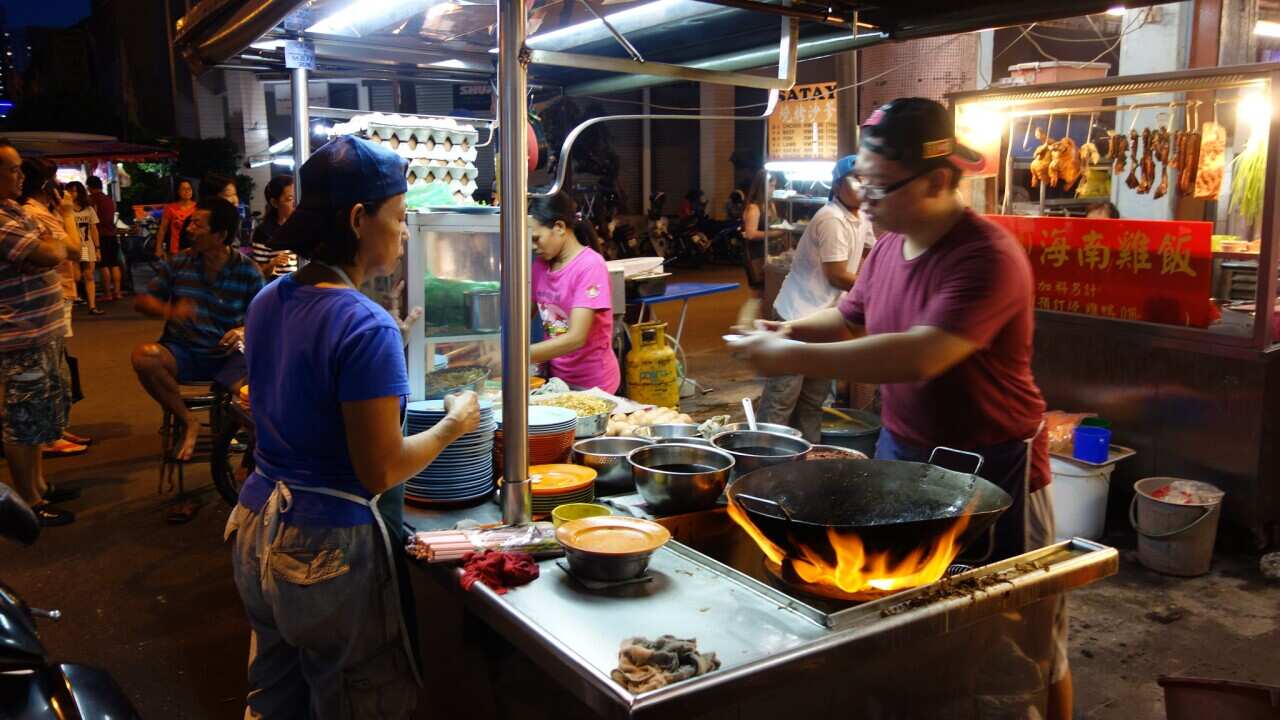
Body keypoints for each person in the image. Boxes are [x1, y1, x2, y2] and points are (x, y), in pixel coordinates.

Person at [730, 98, 1071, 719]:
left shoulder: (985, 256)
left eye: (881, 185)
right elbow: (850, 316)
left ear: (940, 180)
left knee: (1022, 640)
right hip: (902, 457)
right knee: (921, 633)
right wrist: (785, 335)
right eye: (863, 182)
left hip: (993, 468)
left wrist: (786, 360)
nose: (867, 198)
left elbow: (921, 355)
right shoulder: (889, 247)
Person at [227, 135, 480, 717]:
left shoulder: (269, 299)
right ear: (359, 219)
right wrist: (453, 426)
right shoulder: (366, 326)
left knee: (275, 697)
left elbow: (307, 387)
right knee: (354, 702)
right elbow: (381, 469)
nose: (406, 232)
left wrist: (394, 336)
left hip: (256, 527)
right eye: (398, 217)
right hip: (325, 552)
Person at [131, 197, 265, 463]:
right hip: (183, 352)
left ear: (220, 235)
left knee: (252, 399)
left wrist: (243, 330)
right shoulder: (179, 263)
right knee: (144, 357)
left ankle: (251, 461)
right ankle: (188, 421)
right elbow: (143, 301)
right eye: (191, 222)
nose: (189, 229)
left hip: (229, 356)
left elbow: (265, 317)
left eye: (197, 224)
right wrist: (170, 311)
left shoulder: (247, 271)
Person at [758, 155, 874, 442]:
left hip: (825, 320)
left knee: (812, 400)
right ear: (837, 185)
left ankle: (806, 459)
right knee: (782, 397)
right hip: (796, 316)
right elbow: (836, 275)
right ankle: (764, 461)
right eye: (856, 179)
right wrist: (876, 289)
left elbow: (871, 253)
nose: (863, 186)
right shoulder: (831, 219)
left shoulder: (862, 217)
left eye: (867, 179)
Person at [0, 142, 81, 526]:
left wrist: (46, 251)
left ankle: (40, 486)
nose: (21, 176)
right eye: (13, 170)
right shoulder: (1, 219)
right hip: (20, 334)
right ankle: (29, 502)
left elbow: (57, 248)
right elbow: (53, 254)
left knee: (40, 413)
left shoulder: (14, 211)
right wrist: (46, 251)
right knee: (22, 419)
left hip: (40, 330)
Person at [529, 191, 620, 393]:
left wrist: (516, 356)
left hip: (594, 384)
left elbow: (576, 337)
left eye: (536, 238)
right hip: (558, 380)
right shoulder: (540, 266)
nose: (533, 247)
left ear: (559, 227)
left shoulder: (590, 266)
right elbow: (523, 317)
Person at [740, 170, 785, 291]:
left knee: (769, 291)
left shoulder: (771, 204)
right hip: (756, 254)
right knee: (758, 294)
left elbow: (775, 224)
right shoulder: (754, 208)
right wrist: (775, 233)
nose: (773, 189)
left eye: (774, 186)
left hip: (770, 252)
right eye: (771, 186)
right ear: (762, 186)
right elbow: (750, 234)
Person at [248, 175, 298, 277]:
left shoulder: (303, 226)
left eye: (297, 197)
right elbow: (258, 274)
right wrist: (273, 263)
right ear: (274, 203)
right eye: (290, 199)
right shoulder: (264, 232)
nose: (295, 203)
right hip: (279, 288)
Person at [66, 182, 104, 316]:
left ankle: (92, 306)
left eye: (74, 191)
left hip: (86, 246)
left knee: (89, 275)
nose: (71, 194)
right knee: (74, 276)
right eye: (69, 191)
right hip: (72, 246)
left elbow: (94, 229)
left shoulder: (88, 209)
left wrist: (98, 248)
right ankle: (73, 301)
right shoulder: (65, 209)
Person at [87, 176, 123, 301]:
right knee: (114, 264)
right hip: (112, 234)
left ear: (89, 187)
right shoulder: (109, 200)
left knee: (104, 265)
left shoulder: (91, 200)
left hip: (100, 234)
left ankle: (107, 293)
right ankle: (117, 292)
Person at [156, 179, 195, 258]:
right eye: (184, 189)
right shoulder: (170, 208)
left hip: (194, 248)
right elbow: (162, 229)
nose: (187, 191)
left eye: (189, 189)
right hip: (175, 249)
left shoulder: (198, 207)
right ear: (178, 191)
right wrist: (158, 248)